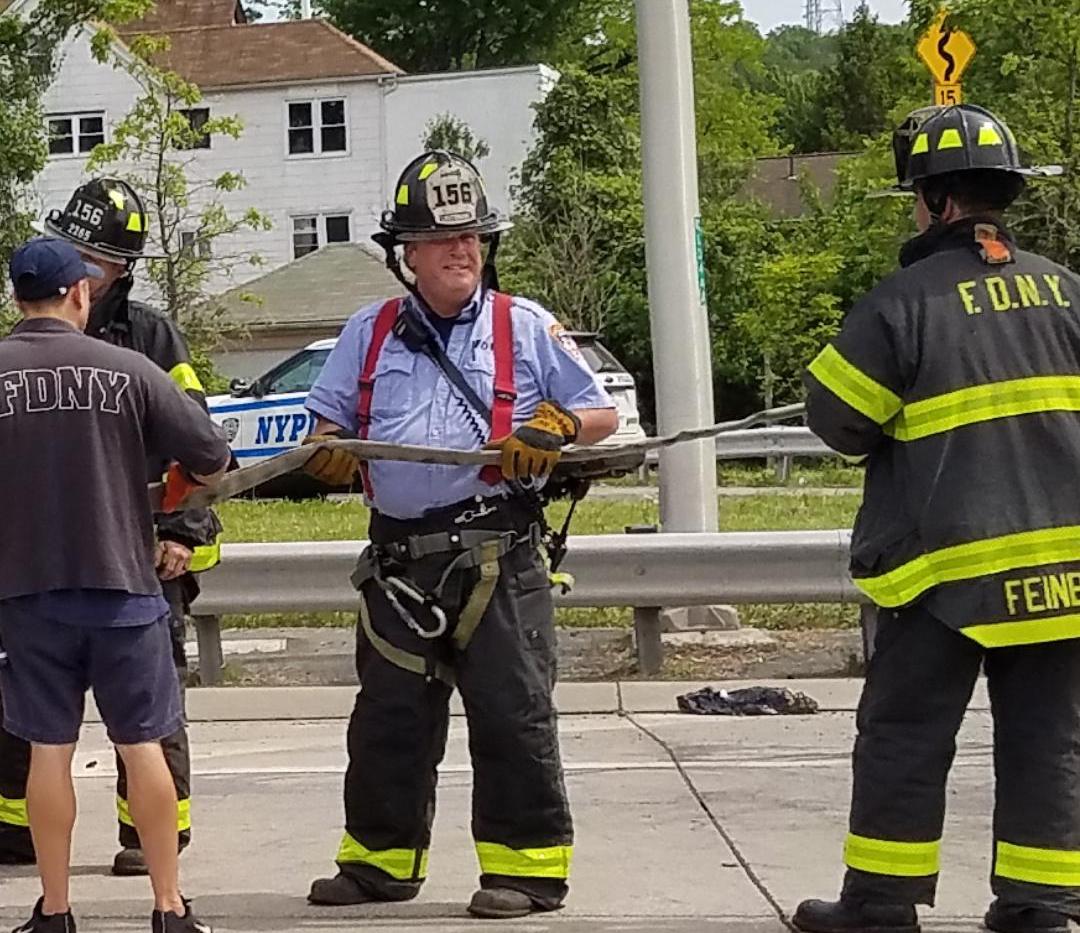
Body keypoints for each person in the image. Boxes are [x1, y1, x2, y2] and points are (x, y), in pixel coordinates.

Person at [301, 151, 618, 919]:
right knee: (388, 720)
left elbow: (603, 416)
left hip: (498, 556)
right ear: (406, 256)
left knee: (513, 715)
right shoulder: (367, 332)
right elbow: (321, 424)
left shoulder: (527, 325)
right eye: (444, 241)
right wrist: (331, 450)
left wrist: (558, 423)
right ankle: (379, 862)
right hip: (400, 563)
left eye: (474, 237)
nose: (463, 250)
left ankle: (529, 871)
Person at [794, 103, 1080, 933]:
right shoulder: (1067, 291)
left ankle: (882, 904)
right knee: (1051, 740)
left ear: (936, 202)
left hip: (943, 574)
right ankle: (1042, 906)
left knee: (906, 735)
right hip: (1061, 574)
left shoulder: (901, 304)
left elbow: (837, 420)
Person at [0, 237, 229, 932]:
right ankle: (168, 906)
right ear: (79, 293)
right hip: (124, 587)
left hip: (27, 595)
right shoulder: (128, 368)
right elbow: (212, 454)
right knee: (142, 746)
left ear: (16, 300)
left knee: (49, 752)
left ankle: (57, 909)